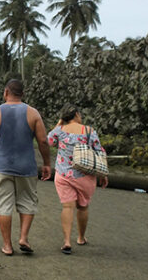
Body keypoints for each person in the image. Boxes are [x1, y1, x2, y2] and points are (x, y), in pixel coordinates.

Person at [0, 79, 52, 256]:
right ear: (23, 94)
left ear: (6, 92)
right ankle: (23, 238)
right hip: (26, 167)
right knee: (27, 202)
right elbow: (43, 141)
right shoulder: (33, 113)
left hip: (3, 167)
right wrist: (47, 164)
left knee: (3, 206)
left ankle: (7, 245)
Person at [47, 104, 109, 255]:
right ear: (75, 114)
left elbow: (48, 141)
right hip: (85, 176)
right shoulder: (89, 131)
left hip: (63, 175)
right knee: (83, 207)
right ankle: (81, 237)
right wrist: (103, 175)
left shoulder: (60, 131)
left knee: (68, 207)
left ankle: (67, 241)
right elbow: (99, 151)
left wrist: (59, 124)